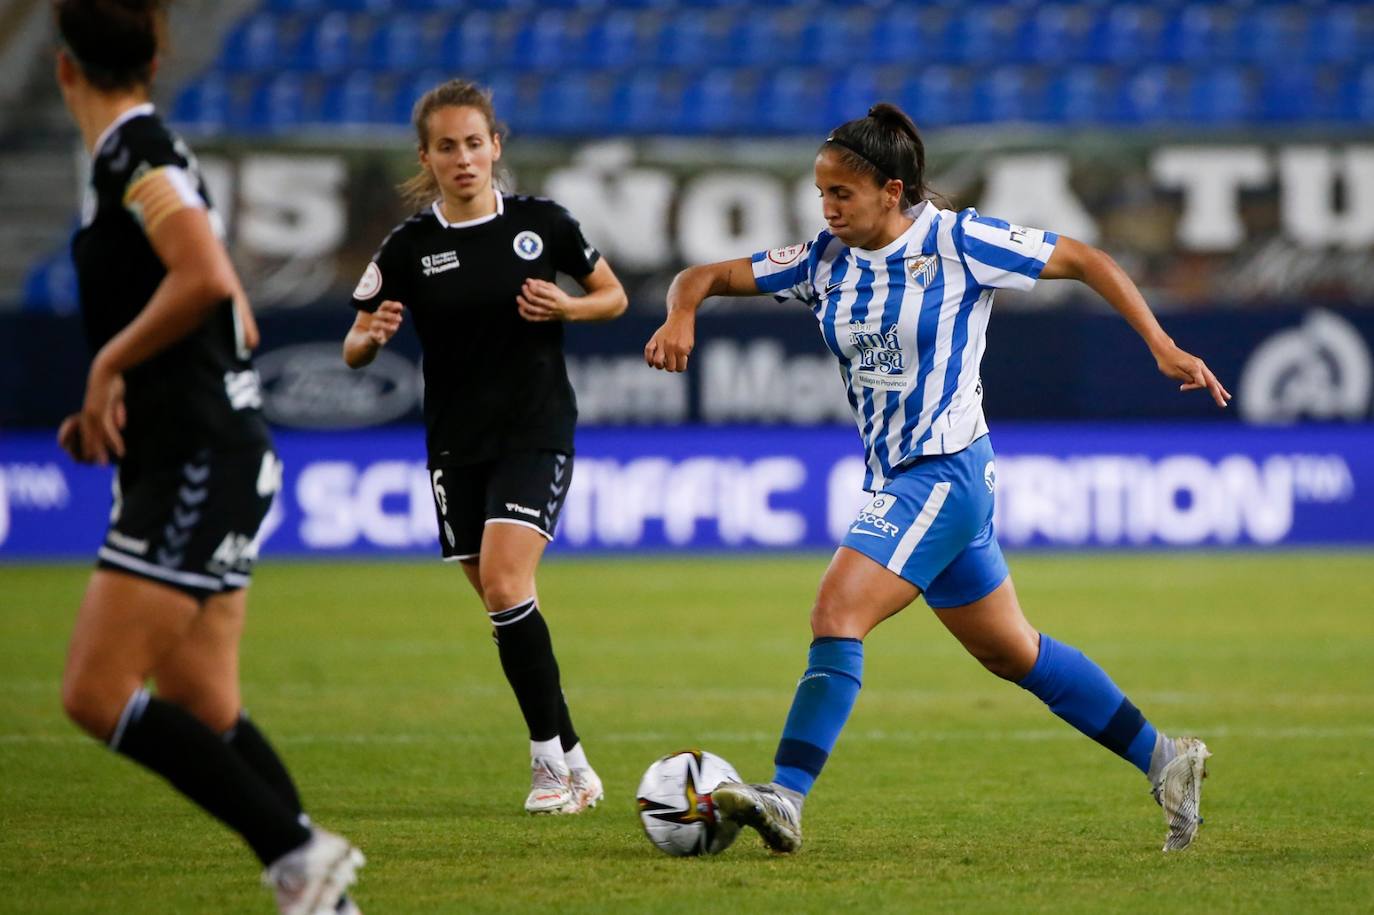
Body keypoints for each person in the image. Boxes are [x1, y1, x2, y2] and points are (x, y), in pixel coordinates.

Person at [645, 103, 1229, 854]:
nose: (826, 208)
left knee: (837, 610)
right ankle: (1165, 758)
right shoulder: (824, 258)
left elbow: (1086, 259)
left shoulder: (959, 242)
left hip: (945, 471)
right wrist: (680, 314)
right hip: (908, 478)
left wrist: (1162, 344)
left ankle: (784, 795)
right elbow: (704, 274)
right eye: (820, 192)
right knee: (1012, 650)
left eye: (841, 195)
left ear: (892, 191)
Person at [52, 2, 364, 912]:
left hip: (198, 460)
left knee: (93, 692)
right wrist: (125, 390)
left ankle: (297, 855)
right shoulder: (154, 152)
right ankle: (321, 895)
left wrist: (109, 363)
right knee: (200, 701)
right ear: (155, 53)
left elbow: (204, 276)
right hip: (202, 446)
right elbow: (228, 298)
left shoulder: (131, 154)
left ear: (66, 70)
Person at [343, 79, 627, 815]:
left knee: (505, 584)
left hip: (535, 430)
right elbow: (355, 339)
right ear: (426, 157)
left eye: (475, 142)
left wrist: (568, 303)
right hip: (454, 444)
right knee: (509, 604)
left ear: (496, 146)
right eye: (447, 147)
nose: (464, 158)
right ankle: (579, 764)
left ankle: (547, 768)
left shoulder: (542, 225)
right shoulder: (410, 246)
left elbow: (614, 295)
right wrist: (366, 341)